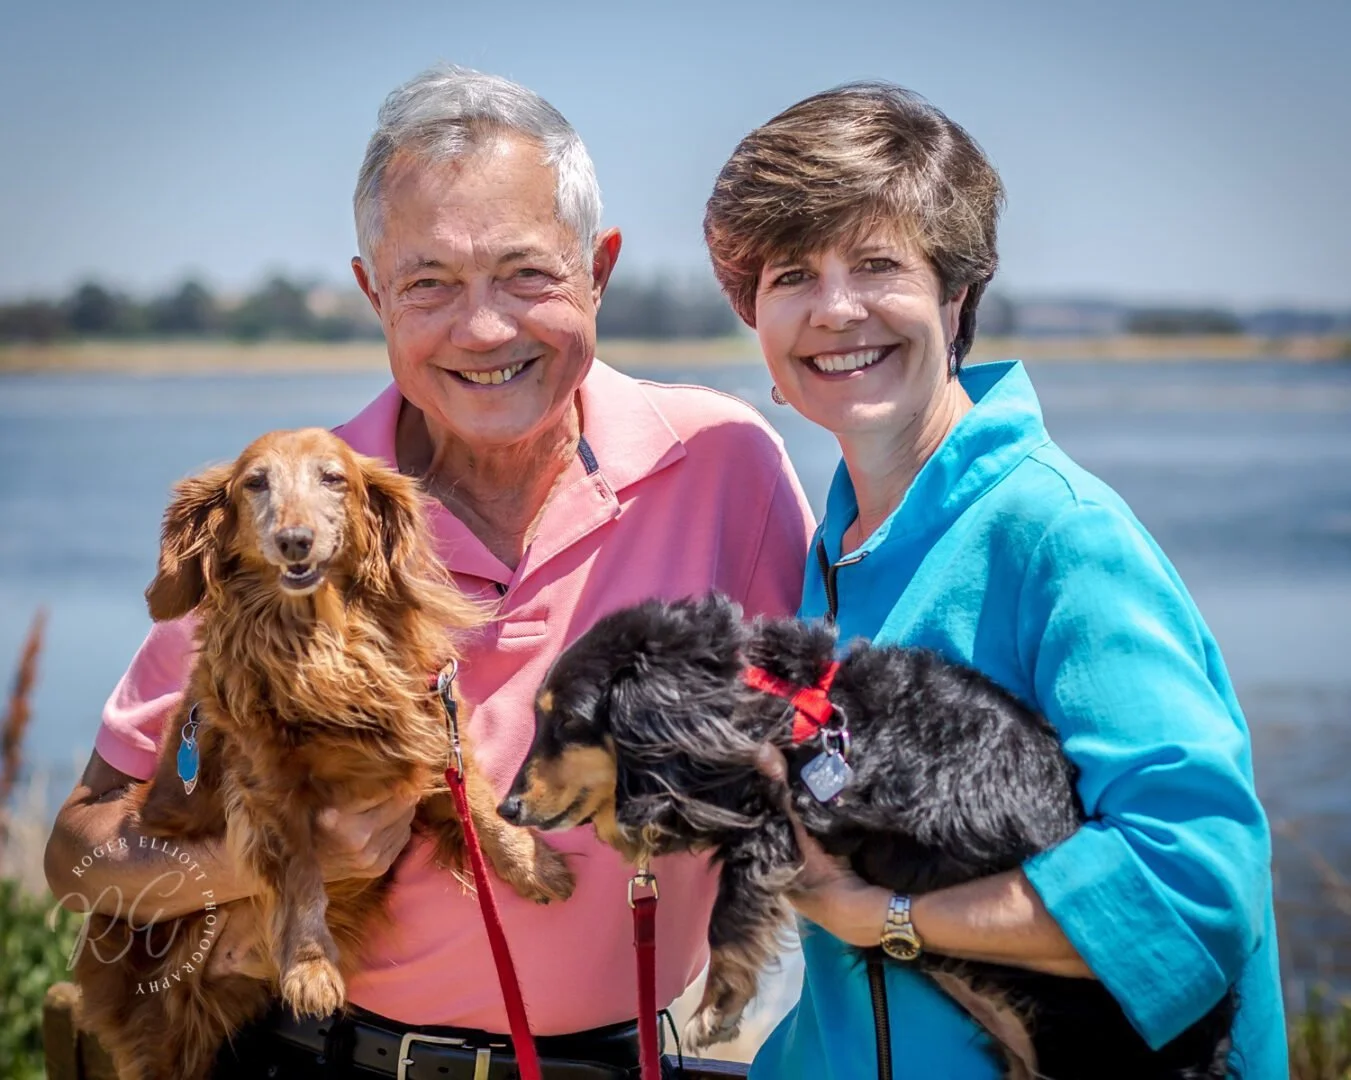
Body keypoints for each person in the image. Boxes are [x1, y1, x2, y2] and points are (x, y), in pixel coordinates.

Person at [44, 64, 815, 1079]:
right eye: (429, 284)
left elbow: (818, 757)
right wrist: (254, 864)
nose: (484, 328)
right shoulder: (284, 514)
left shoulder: (725, 465)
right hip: (311, 1059)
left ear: (599, 268)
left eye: (525, 274)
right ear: (373, 293)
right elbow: (75, 861)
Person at [702, 82, 1285, 1079]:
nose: (835, 308)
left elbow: (1192, 884)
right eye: (792, 273)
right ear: (755, 316)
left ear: (956, 295)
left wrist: (889, 920)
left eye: (877, 263)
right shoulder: (836, 551)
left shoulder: (1059, 533)